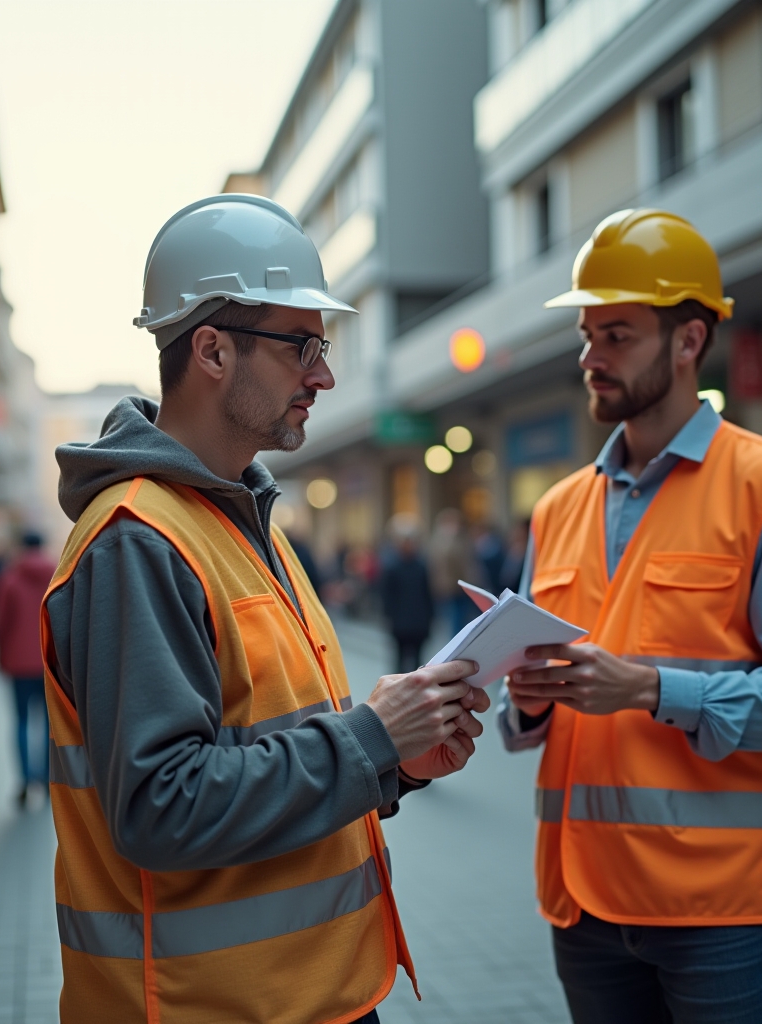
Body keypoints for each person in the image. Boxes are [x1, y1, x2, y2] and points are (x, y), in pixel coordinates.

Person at [43, 194, 488, 1023]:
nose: (322, 374)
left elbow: (267, 747)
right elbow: (160, 806)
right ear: (211, 350)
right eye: (301, 346)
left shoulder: (247, 527)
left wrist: (398, 760)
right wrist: (371, 736)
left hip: (312, 999)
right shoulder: (139, 541)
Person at [498, 209, 762, 1024]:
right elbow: (525, 724)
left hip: (720, 912)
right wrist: (524, 700)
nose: (591, 358)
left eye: (617, 334)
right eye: (587, 336)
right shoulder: (558, 508)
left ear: (689, 341)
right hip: (583, 908)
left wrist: (656, 689)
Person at [0, 531, 56, 807]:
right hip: (50, 662)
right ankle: (49, 778)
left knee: (21, 722)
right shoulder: (58, 572)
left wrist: (1, 657)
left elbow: (0, 622)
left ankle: (26, 781)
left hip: (18, 663)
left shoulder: (9, 578)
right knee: (51, 724)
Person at [379, 515, 434, 673]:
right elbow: (386, 596)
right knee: (399, 661)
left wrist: (430, 617)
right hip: (400, 624)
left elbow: (428, 593)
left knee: (418, 661)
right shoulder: (391, 567)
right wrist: (389, 618)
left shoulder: (421, 565)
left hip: (419, 622)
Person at [428, 507, 479, 636]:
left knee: (460, 620)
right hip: (452, 588)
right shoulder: (444, 540)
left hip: (460, 587)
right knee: (455, 621)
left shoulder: (459, 539)